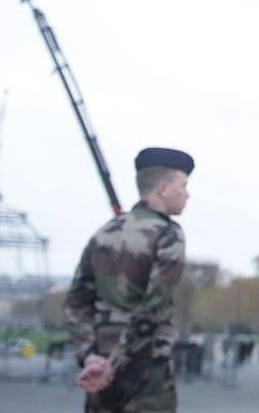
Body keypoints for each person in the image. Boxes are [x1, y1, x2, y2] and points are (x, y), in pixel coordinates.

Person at [62, 146, 194, 412]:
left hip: (100, 364)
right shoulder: (168, 234)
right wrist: (118, 364)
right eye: (184, 185)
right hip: (144, 371)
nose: (188, 194)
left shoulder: (104, 233)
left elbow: (76, 303)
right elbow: (154, 308)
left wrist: (92, 357)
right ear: (163, 188)